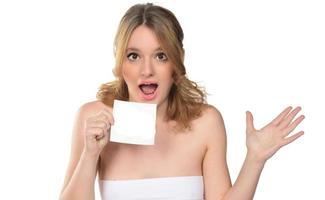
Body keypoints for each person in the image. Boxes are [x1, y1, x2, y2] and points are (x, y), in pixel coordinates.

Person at [59, 3, 305, 200]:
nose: (147, 70)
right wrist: (90, 155)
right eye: (133, 56)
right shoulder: (92, 118)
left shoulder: (205, 123)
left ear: (176, 63)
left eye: (160, 55)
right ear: (120, 63)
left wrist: (255, 159)